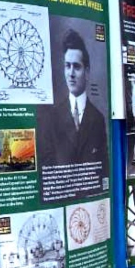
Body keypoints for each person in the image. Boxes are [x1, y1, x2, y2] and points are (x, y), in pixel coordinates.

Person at [40, 28, 108, 167]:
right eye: (67, 66)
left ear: (87, 72)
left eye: (76, 67)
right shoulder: (51, 118)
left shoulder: (98, 119)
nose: (71, 73)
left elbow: (103, 168)